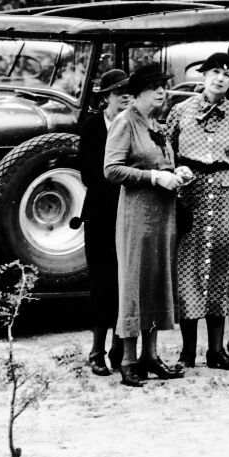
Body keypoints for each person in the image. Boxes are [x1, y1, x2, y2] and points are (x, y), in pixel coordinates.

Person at [168, 52, 229, 371]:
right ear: (203, 76)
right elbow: (166, 154)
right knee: (189, 268)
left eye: (226, 73)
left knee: (223, 268)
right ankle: (187, 351)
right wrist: (175, 175)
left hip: (225, 194)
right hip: (189, 193)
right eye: (214, 72)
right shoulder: (181, 111)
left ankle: (216, 350)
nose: (220, 78)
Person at [104, 64, 186, 387]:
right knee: (134, 283)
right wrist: (153, 177)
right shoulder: (126, 123)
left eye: (164, 86)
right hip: (137, 215)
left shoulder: (157, 125)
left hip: (163, 215)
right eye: (155, 87)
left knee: (155, 282)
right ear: (137, 94)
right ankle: (128, 360)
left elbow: (162, 163)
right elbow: (111, 169)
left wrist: (178, 173)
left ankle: (151, 357)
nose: (162, 92)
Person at [78, 67, 129, 376]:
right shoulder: (92, 127)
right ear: (106, 97)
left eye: (129, 92)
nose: (125, 98)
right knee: (102, 280)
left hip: (130, 210)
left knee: (126, 278)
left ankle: (120, 347)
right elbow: (88, 174)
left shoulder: (136, 125)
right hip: (100, 211)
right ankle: (97, 349)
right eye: (119, 92)